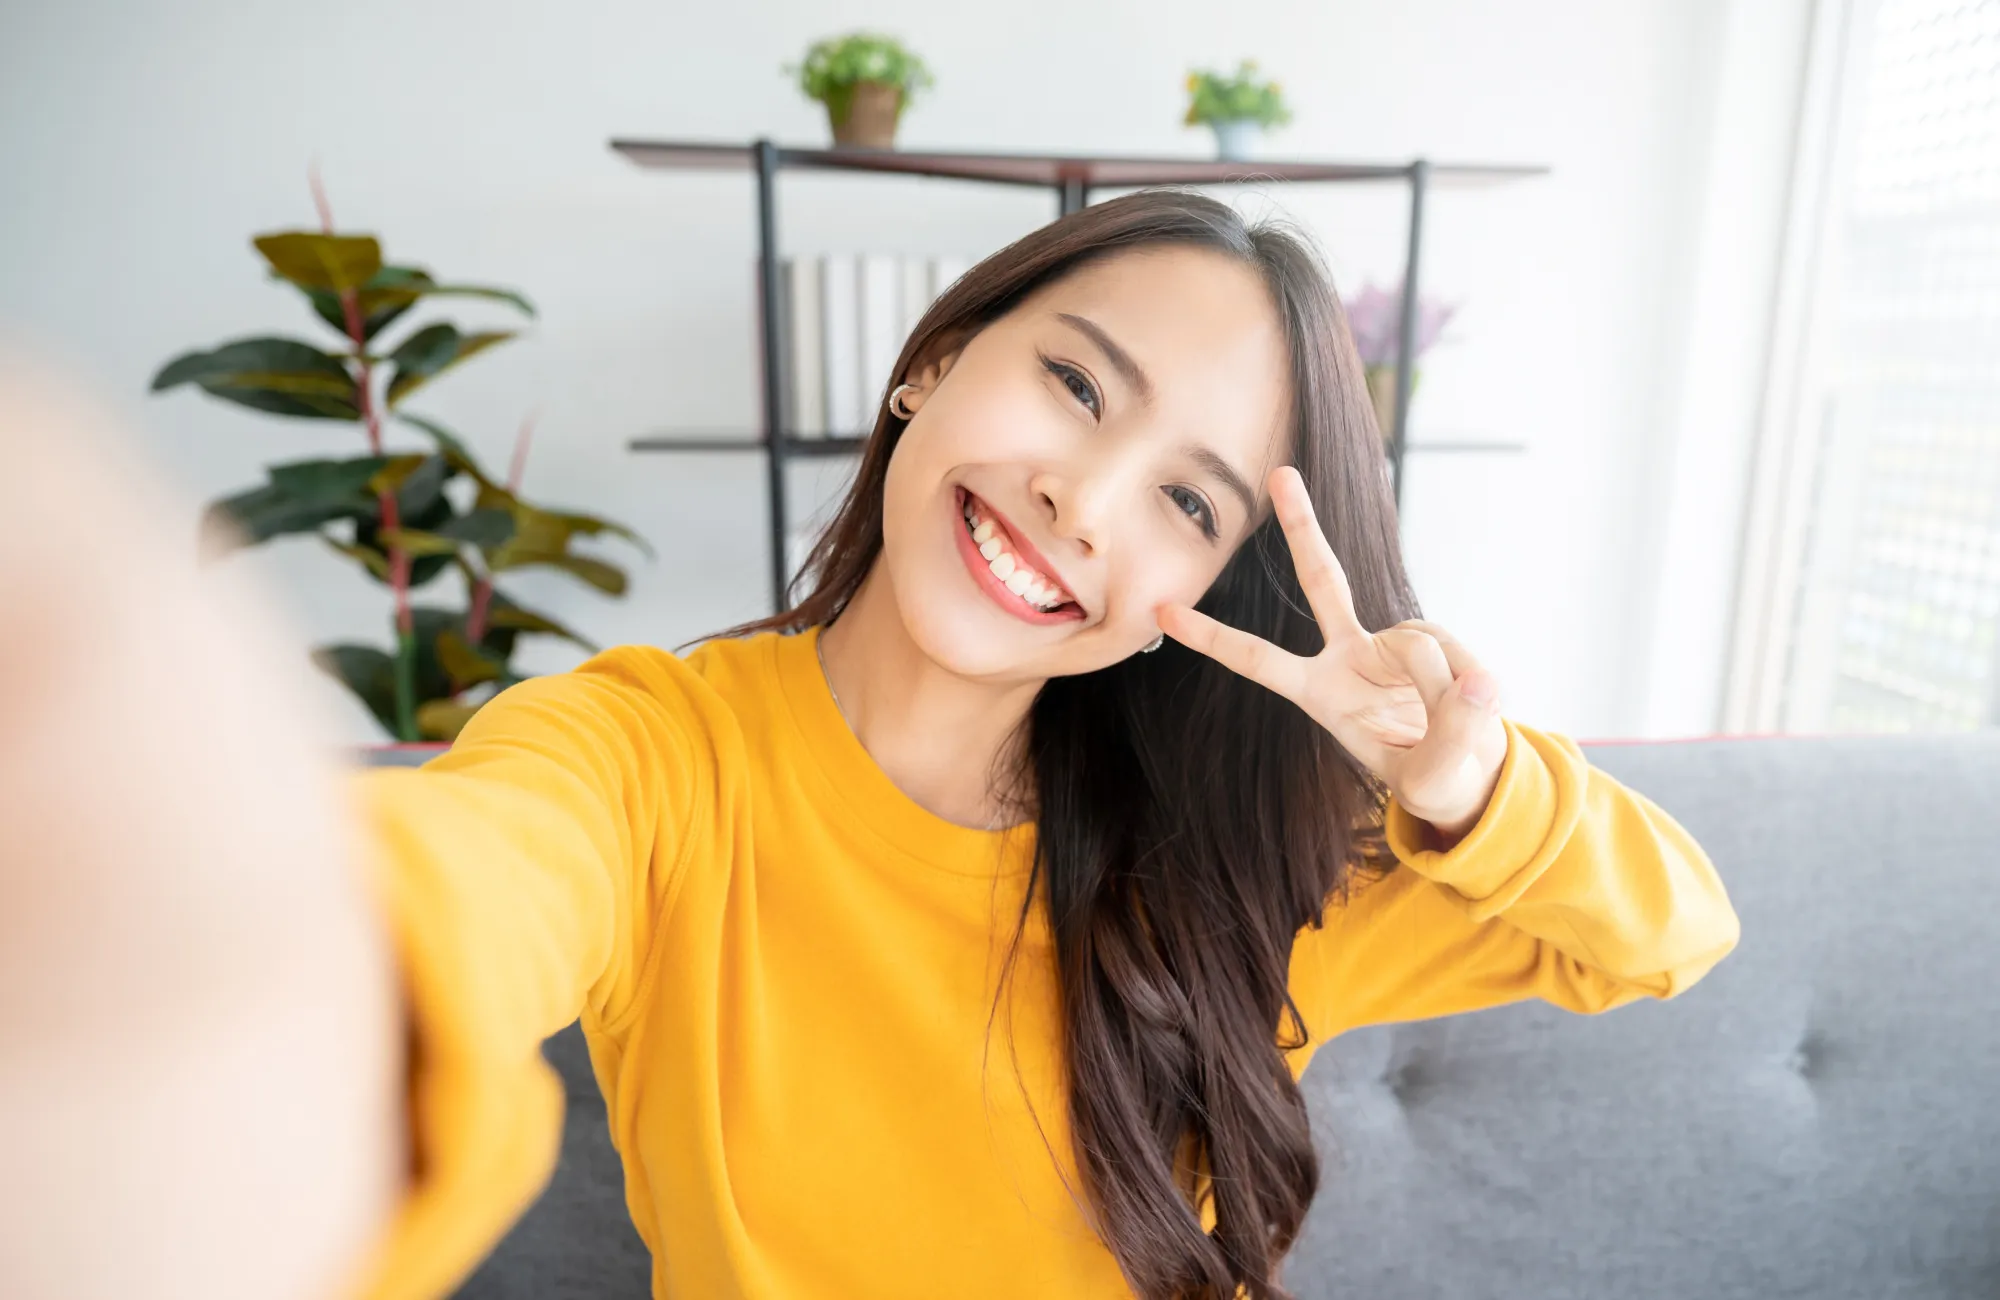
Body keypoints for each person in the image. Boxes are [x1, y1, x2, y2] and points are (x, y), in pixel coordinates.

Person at [0, 189, 1741, 1300]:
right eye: (1074, 384)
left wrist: (1463, 785)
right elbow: (452, 893)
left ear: (1204, 594)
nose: (1081, 493)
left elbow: (1673, 934)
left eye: (1187, 499)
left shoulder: (1234, 867)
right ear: (935, 363)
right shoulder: (652, 759)